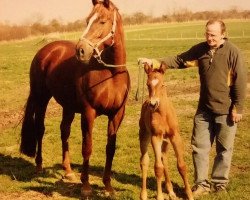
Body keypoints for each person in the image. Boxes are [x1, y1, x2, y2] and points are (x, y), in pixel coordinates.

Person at [138, 19, 247, 198]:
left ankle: (219, 183)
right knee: (199, 147)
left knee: (224, 148)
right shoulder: (200, 50)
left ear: (223, 34)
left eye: (213, 34)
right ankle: (201, 184)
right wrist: (155, 62)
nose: (209, 37)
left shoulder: (233, 52)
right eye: (207, 33)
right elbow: (179, 60)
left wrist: (238, 107)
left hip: (226, 109)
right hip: (204, 109)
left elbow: (241, 81)